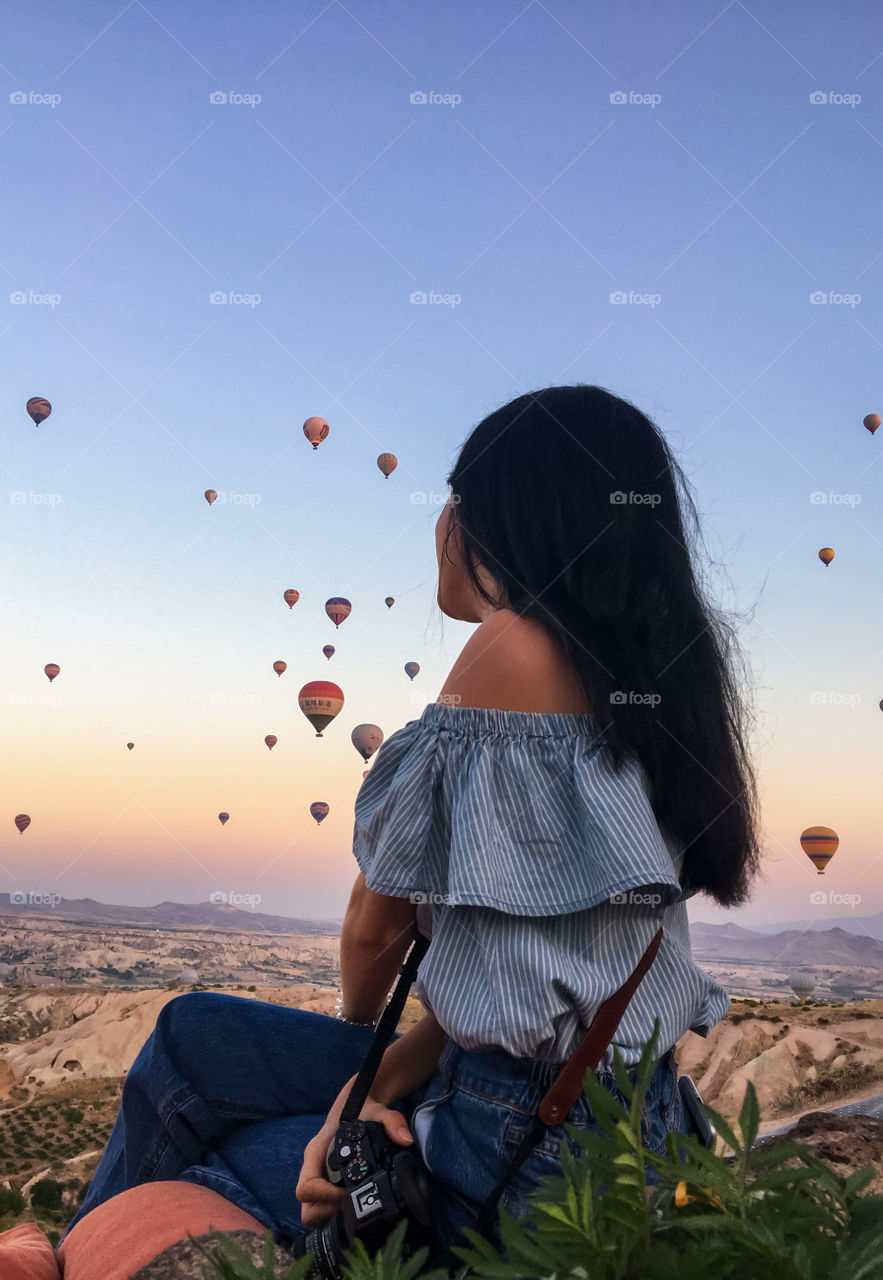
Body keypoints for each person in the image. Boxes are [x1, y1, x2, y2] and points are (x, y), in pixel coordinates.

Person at [64, 384, 760, 1257]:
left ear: (505, 518)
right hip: (615, 1112)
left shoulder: (510, 649)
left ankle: (57, 1258)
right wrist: (365, 1091)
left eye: (457, 495)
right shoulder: (657, 683)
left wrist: (359, 1028)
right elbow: (534, 982)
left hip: (514, 1144)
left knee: (223, 1163)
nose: (442, 519)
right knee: (191, 1030)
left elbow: (374, 924)